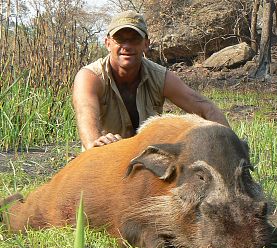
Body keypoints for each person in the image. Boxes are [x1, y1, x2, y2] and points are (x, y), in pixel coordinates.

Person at [72, 10, 230, 151]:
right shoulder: (90, 77)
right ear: (108, 43)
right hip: (106, 156)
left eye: (135, 39)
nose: (127, 46)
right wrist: (93, 142)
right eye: (120, 39)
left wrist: (230, 147)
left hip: (147, 160)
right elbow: (86, 115)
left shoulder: (161, 76)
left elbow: (206, 108)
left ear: (146, 44)